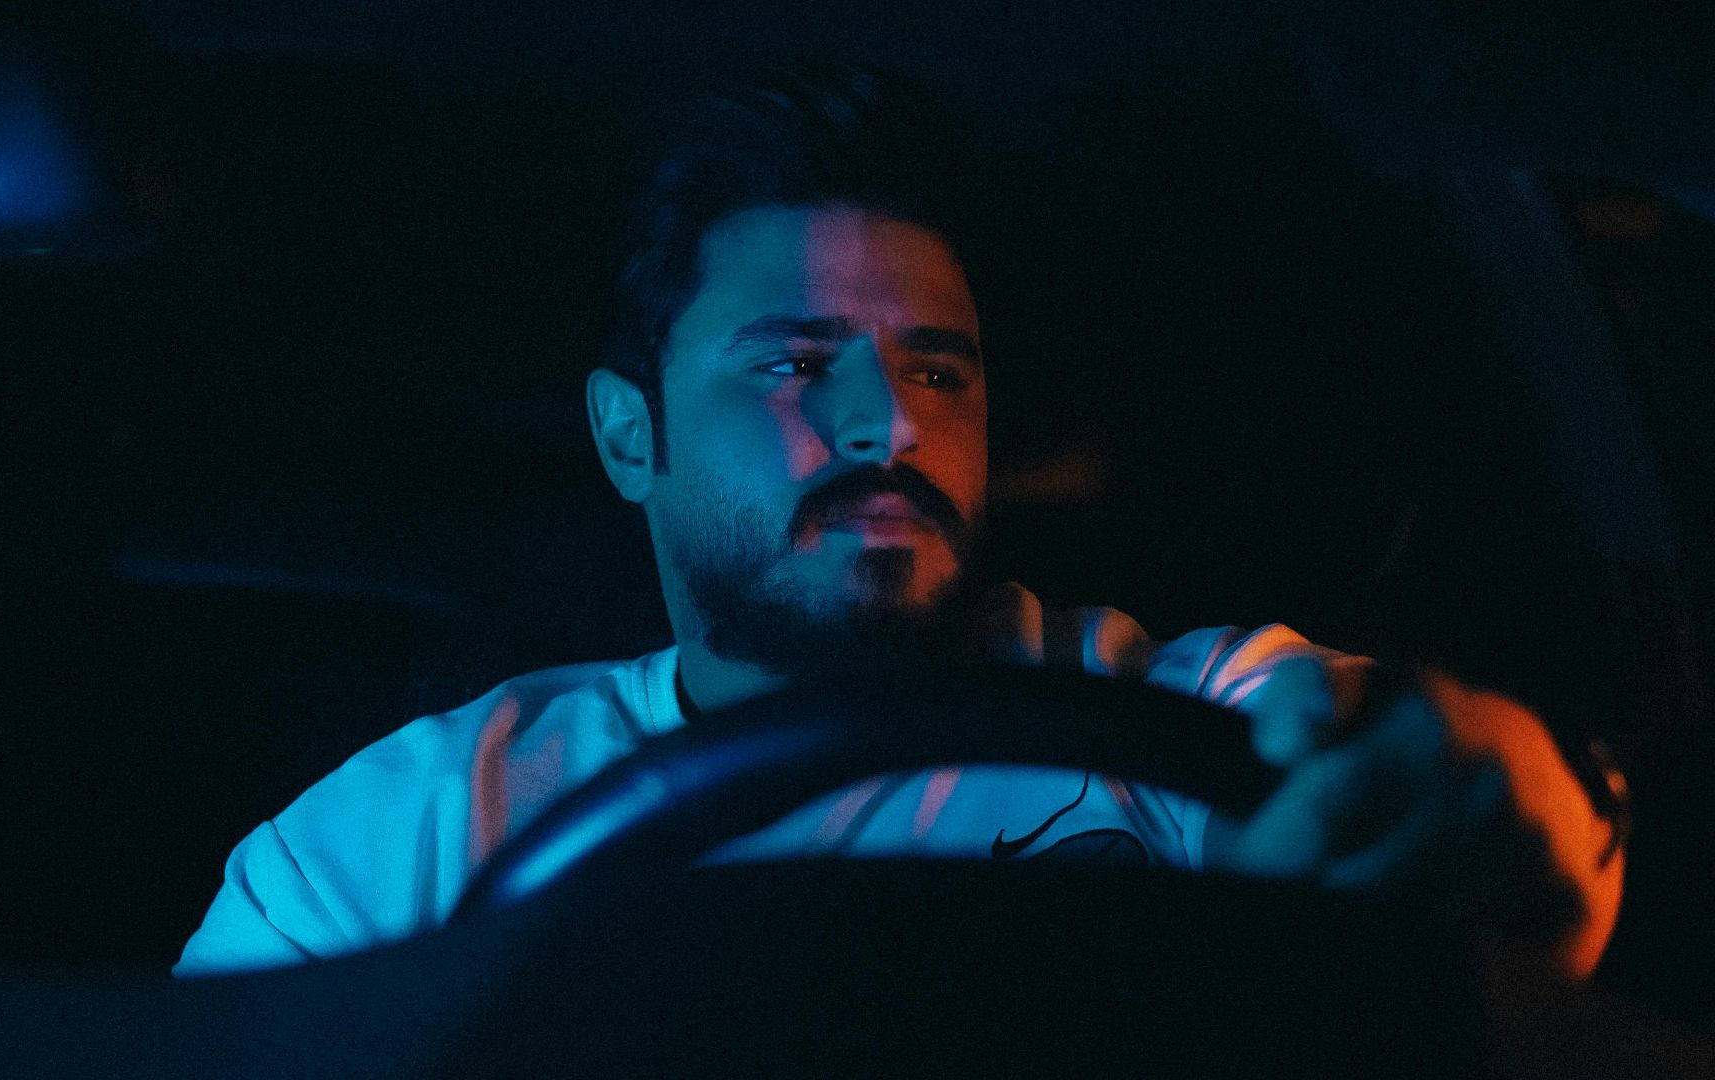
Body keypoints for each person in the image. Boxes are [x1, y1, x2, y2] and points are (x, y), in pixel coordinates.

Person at [174, 64, 1627, 983]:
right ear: (633, 434)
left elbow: (1415, 769)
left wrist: (1507, 792)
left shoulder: (1182, 725)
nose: (890, 425)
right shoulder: (400, 843)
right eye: (796, 364)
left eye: (939, 367)